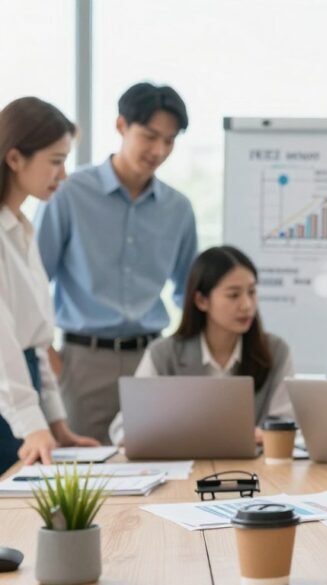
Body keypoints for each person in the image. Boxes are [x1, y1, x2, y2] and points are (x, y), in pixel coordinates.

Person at [35, 82, 198, 443]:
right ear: (121, 126)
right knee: (84, 476)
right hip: (82, 362)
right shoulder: (68, 193)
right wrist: (54, 363)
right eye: (150, 136)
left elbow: (188, 293)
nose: (159, 150)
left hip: (152, 360)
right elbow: (33, 285)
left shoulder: (179, 209)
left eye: (169, 141)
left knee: (158, 468)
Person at [108, 246, 294, 445]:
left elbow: (286, 422)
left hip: (257, 471)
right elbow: (123, 428)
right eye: (233, 295)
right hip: (184, 469)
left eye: (252, 292)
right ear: (201, 300)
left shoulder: (275, 351)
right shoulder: (163, 354)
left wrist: (266, 434)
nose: (247, 305)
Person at [0, 97, 98, 469]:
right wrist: (31, 425)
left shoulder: (22, 230)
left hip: (21, 398)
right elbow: (2, 344)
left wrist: (57, 425)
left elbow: (36, 343)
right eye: (55, 161)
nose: (64, 174)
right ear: (14, 159)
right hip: (8, 405)